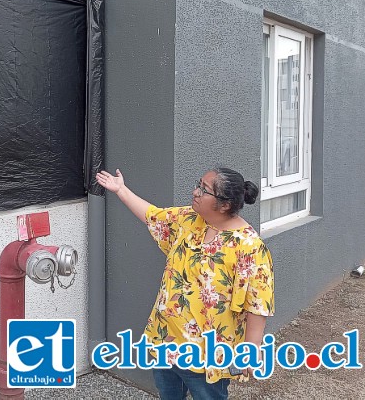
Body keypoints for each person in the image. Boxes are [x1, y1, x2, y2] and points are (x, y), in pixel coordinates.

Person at [96, 167, 274, 400]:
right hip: (167, 341)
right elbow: (153, 216)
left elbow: (258, 303)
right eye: (198, 184)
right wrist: (121, 190)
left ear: (225, 205)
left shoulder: (249, 246)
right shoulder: (189, 220)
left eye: (204, 190)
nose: (195, 192)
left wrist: (251, 348)